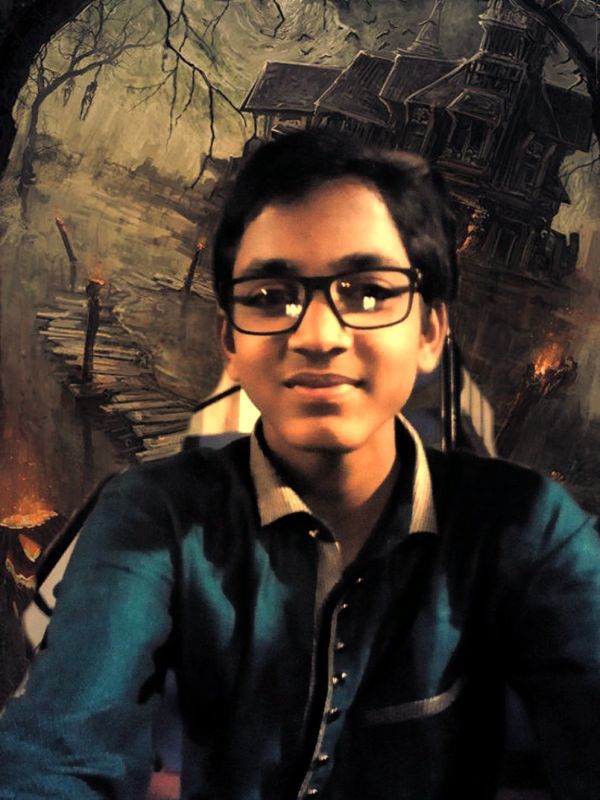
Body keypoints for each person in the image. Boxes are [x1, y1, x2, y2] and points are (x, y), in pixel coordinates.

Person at [0, 131, 599, 799]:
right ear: (230, 338)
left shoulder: (529, 528)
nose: (318, 335)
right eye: (270, 295)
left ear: (430, 330)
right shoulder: (154, 516)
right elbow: (58, 750)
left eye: (368, 292)